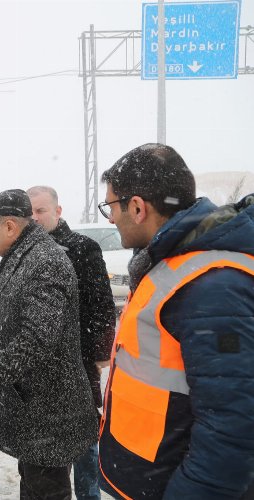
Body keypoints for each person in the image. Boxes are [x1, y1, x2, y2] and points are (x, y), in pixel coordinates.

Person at [97, 144, 254, 499]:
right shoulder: (173, 264)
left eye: (111, 206)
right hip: (153, 479)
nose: (109, 218)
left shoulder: (214, 285)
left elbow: (233, 424)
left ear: (137, 208)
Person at [0, 189, 97, 500]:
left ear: (11, 227)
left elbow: (38, 338)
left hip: (49, 409)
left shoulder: (43, 261)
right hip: (35, 406)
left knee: (46, 491)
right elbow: (21, 319)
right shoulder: (24, 255)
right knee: (34, 484)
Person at [27, 185, 115, 500]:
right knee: (49, 446)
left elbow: (102, 305)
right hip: (39, 365)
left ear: (58, 211)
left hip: (79, 360)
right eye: (30, 212)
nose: (35, 218)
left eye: (41, 210)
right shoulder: (23, 252)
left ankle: (88, 495)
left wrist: (98, 353)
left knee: (85, 436)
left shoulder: (82, 248)